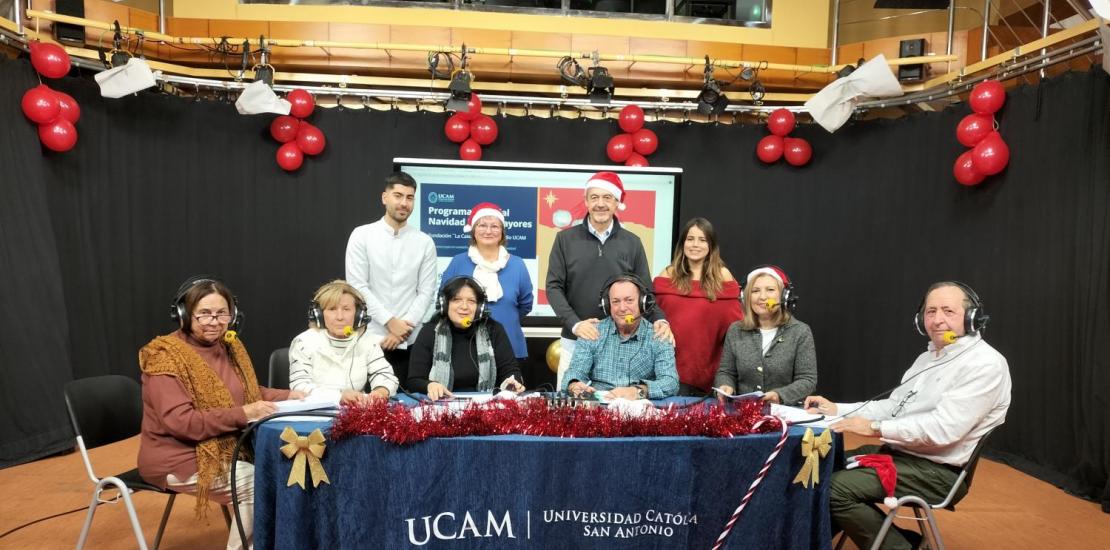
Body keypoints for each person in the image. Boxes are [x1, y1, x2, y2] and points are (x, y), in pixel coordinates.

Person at [804, 282, 1012, 550]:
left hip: (938, 472)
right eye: (930, 311)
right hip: (903, 456)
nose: (937, 320)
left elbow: (943, 430)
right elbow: (893, 407)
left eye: (948, 311)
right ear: (920, 319)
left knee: (835, 489)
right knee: (820, 468)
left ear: (972, 318)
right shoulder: (927, 359)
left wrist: (876, 428)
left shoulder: (985, 364)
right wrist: (837, 409)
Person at [138, 276, 305, 550]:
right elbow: (184, 423)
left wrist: (290, 396)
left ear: (233, 316)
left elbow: (247, 392)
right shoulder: (164, 357)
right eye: (204, 314)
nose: (214, 321)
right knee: (258, 484)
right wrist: (243, 413)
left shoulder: (228, 346)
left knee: (281, 471)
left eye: (221, 313)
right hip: (175, 458)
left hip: (221, 449)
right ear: (183, 314)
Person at [546, 171, 673, 388]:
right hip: (575, 339)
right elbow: (553, 287)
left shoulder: (632, 242)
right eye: (594, 197)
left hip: (620, 344)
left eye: (607, 198)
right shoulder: (564, 239)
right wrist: (575, 324)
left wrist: (660, 320)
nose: (600, 204)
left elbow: (645, 292)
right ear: (586, 201)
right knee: (570, 411)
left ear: (617, 203)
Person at [345, 171, 438, 388]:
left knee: (410, 410)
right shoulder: (362, 235)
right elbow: (357, 287)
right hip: (369, 339)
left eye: (409, 197)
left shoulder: (424, 242)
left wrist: (403, 329)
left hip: (411, 341)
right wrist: (390, 322)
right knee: (368, 410)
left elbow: (426, 292)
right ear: (384, 197)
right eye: (398, 195)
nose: (404, 203)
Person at [653, 217, 742, 396]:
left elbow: (735, 324)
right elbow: (654, 315)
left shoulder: (722, 276)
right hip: (668, 366)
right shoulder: (668, 274)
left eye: (702, 240)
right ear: (683, 243)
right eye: (690, 239)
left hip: (706, 367)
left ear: (711, 245)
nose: (695, 245)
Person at [439, 202, 533, 360]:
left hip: (509, 347)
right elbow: (444, 300)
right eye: (482, 225)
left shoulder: (517, 265)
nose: (488, 231)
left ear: (502, 232)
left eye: (495, 226)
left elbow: (525, 305)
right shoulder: (458, 262)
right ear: (473, 230)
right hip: (465, 347)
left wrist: (504, 316)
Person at [561, 274, 678, 399]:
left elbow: (670, 382)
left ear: (642, 303)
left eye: (629, 300)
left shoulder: (659, 335)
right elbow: (575, 372)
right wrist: (574, 385)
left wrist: (637, 391)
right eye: (616, 302)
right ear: (607, 305)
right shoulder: (592, 332)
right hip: (598, 409)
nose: (622, 308)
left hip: (640, 410)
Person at [408, 276, 525, 400]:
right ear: (445, 304)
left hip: (486, 408)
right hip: (441, 409)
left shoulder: (494, 330)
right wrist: (429, 385)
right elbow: (414, 380)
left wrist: (512, 383)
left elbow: (511, 371)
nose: (464, 306)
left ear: (480, 308)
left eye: (471, 301)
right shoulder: (430, 331)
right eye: (456, 300)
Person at [714, 265, 816, 406]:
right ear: (746, 297)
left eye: (770, 290)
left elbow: (807, 380)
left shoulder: (800, 332)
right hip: (742, 412)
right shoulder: (736, 330)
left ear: (783, 296)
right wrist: (725, 385)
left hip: (785, 412)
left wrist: (779, 395)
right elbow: (726, 372)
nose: (762, 297)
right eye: (755, 291)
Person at [288, 280, 399, 405]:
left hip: (357, 412)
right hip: (317, 412)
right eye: (332, 309)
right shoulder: (304, 342)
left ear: (358, 315)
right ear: (319, 315)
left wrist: (381, 391)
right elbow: (299, 386)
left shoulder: (366, 340)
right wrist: (339, 396)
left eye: (346, 309)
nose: (340, 317)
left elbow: (384, 374)